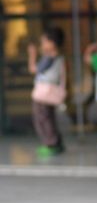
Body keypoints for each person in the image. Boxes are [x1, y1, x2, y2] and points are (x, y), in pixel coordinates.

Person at [28, 27, 66, 157]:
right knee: (49, 119)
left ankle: (50, 143)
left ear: (52, 43)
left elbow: (33, 69)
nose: (42, 45)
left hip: (43, 95)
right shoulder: (59, 58)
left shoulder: (49, 58)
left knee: (42, 120)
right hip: (51, 94)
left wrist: (32, 55)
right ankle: (56, 142)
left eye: (44, 42)